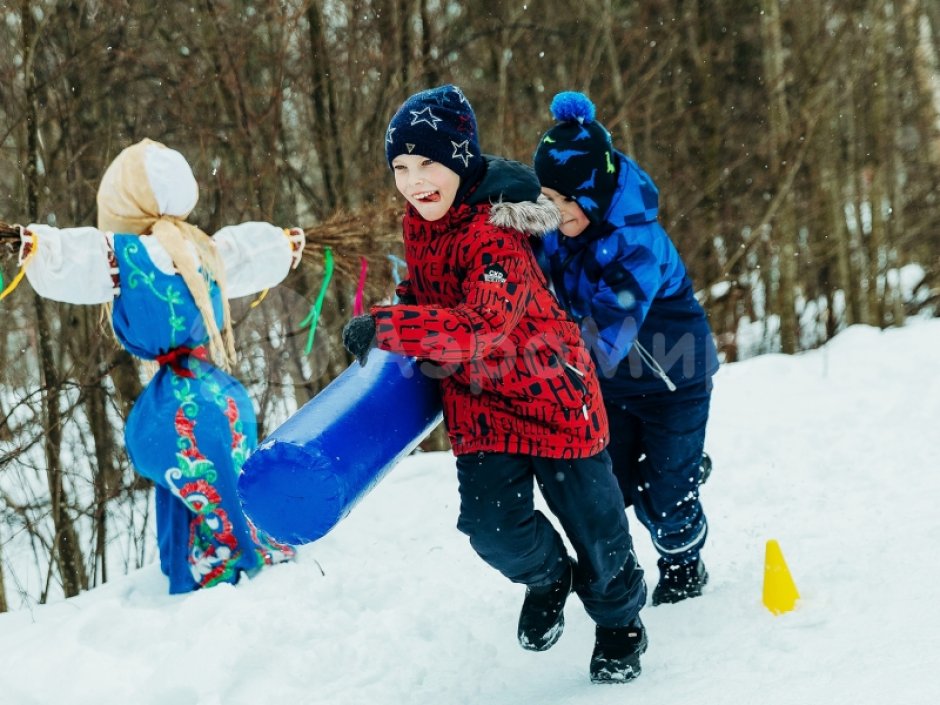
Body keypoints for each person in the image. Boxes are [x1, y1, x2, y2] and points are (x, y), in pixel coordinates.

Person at [342, 85, 647, 684]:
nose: (414, 181)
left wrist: (390, 325)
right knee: (492, 530)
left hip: (553, 397)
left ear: (459, 160)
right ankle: (548, 577)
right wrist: (401, 307)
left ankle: (619, 624)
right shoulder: (421, 222)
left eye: (427, 163)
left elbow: (480, 325)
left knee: (597, 531)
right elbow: (430, 291)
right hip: (481, 407)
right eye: (400, 167)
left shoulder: (494, 234)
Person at [16, 138, 300, 594]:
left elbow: (74, 258)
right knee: (224, 473)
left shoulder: (123, 255)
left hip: (178, 406)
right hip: (222, 394)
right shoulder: (203, 248)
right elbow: (251, 252)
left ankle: (215, 561)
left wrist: (36, 247)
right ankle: (231, 545)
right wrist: (284, 246)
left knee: (183, 463)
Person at [532, 92, 720, 606]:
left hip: (673, 382)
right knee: (607, 486)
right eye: (544, 198)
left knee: (667, 505)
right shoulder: (561, 225)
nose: (551, 211)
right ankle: (672, 468)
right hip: (612, 387)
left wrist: (535, 365)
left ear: (592, 195)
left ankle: (684, 565)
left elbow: (603, 339)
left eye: (562, 200)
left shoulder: (638, 246)